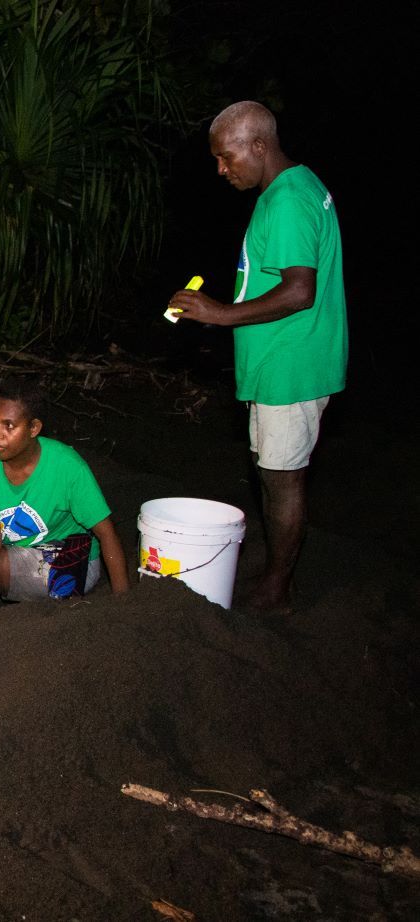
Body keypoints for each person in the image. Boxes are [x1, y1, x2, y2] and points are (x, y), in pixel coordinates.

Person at [167, 101, 346, 610]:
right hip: (285, 363)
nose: (221, 170)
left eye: (226, 157)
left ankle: (276, 588)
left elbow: (298, 292)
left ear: (259, 146)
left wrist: (219, 313)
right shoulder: (295, 187)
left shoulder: (288, 200)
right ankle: (275, 572)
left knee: (282, 480)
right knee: (271, 471)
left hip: (291, 368)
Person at [0, 379, 130, 623]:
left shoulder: (67, 467)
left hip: (67, 560)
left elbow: (107, 534)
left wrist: (122, 603)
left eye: (9, 426)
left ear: (33, 428)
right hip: (14, 551)